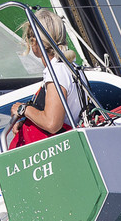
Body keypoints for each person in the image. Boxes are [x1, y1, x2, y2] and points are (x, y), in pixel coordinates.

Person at [9, 9, 82, 147]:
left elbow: (52, 123)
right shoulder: (71, 66)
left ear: (35, 42)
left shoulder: (56, 71)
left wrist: (23, 109)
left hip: (64, 148)